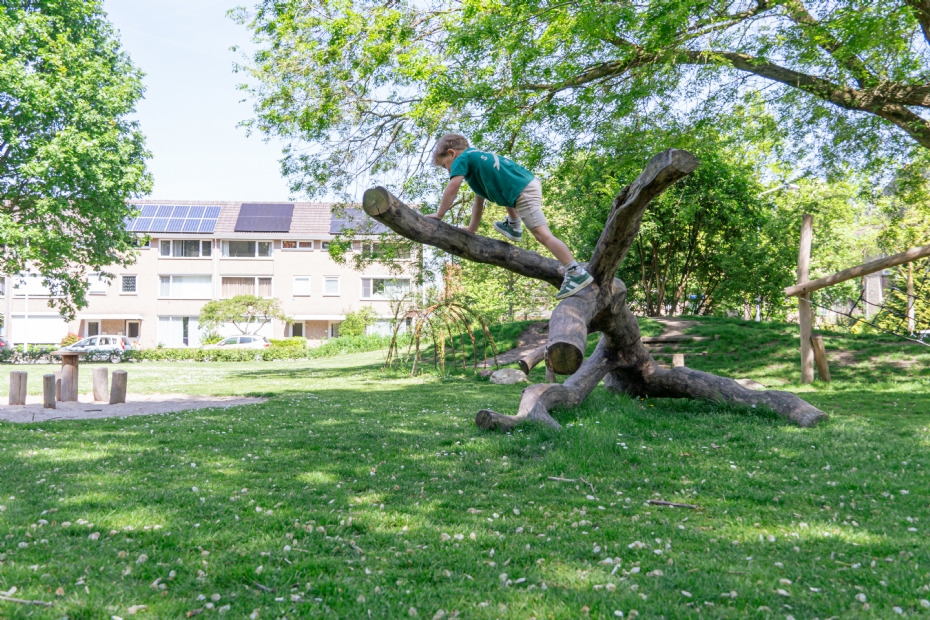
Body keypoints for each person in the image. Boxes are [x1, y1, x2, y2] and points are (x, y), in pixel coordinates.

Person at [425, 134, 594, 300]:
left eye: (444, 165)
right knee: (500, 189)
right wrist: (472, 228)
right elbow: (478, 201)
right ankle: (514, 225)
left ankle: (575, 272)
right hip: (521, 186)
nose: (447, 170)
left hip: (523, 190)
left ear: (452, 153)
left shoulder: (463, 159)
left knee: (543, 235)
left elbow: (453, 187)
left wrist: (440, 214)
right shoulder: (477, 162)